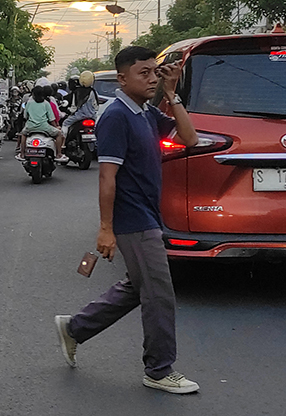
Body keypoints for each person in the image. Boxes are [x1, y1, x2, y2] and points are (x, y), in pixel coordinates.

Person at [54, 46, 200, 394]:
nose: (151, 78)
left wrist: (172, 93)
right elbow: (107, 177)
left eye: (154, 71)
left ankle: (75, 328)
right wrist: (106, 228)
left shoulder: (145, 113)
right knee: (160, 293)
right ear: (122, 78)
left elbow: (189, 138)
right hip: (133, 219)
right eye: (144, 73)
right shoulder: (117, 116)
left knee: (137, 287)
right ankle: (159, 369)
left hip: (149, 214)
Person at [18, 84, 66, 160]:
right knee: (59, 134)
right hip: (44, 127)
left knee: (23, 135)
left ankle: (22, 154)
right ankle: (58, 154)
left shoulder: (29, 103)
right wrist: (56, 127)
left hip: (30, 127)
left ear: (33, 95)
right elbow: (51, 119)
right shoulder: (46, 104)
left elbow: (25, 116)